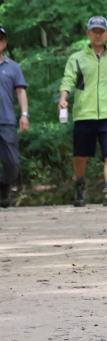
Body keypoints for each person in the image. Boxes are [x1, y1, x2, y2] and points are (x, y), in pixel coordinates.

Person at [58, 16, 107, 207]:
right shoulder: (77, 58)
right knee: (80, 155)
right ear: (88, 34)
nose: (98, 35)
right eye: (94, 31)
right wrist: (63, 98)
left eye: (101, 31)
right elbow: (68, 80)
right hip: (84, 112)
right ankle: (80, 186)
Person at [0, 25, 28, 208]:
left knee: (12, 162)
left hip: (7, 120)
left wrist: (24, 114)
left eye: (0, 38)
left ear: (4, 42)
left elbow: (20, 92)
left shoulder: (13, 67)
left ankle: (3, 186)